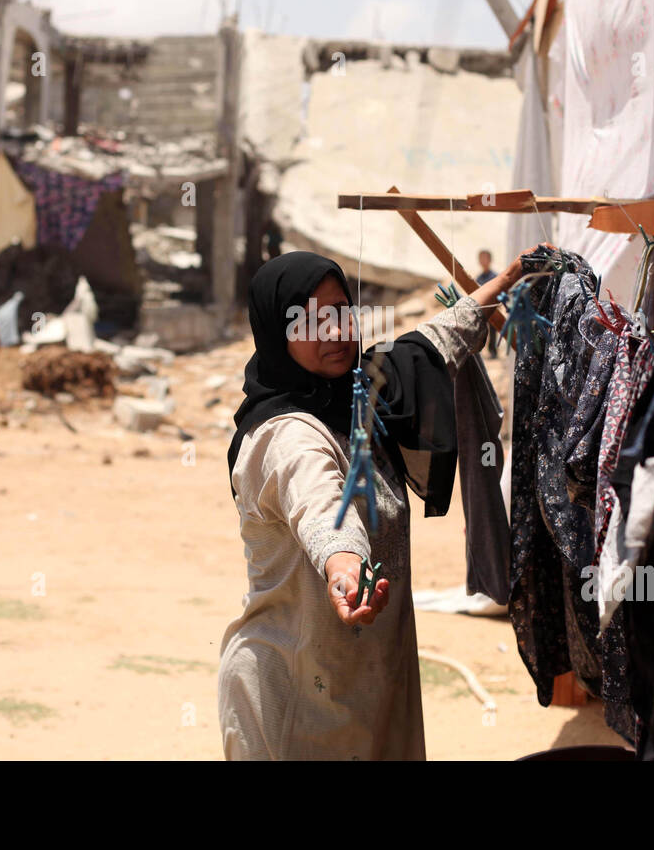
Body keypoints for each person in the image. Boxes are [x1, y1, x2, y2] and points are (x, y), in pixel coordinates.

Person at [218, 245, 544, 760]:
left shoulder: (363, 393)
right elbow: (324, 507)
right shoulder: (285, 436)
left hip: (369, 675)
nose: (335, 332)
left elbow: (437, 341)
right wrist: (345, 566)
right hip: (292, 690)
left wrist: (507, 278)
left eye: (341, 313)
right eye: (311, 321)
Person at [476, 249, 499, 358]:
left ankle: (493, 351)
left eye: (485, 258)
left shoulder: (495, 276)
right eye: (481, 258)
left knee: (493, 331)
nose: (483, 261)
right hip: (481, 308)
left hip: (493, 308)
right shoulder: (478, 278)